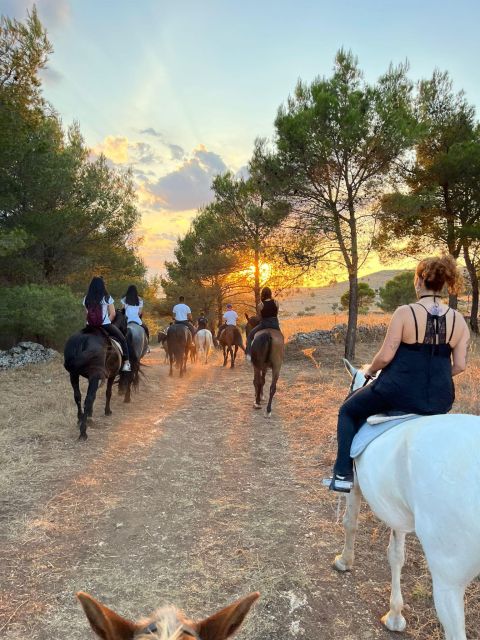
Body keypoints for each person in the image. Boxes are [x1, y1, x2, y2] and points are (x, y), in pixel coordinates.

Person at [329, 255, 470, 492]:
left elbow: (385, 356)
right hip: (439, 398)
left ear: (419, 280)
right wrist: (435, 376)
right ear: (444, 283)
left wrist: (370, 371)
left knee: (347, 411)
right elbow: (460, 365)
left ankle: (342, 473)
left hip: (397, 391)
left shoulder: (405, 312)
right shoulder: (458, 320)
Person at [83, 276, 131, 371]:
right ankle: (126, 363)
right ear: (102, 286)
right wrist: (106, 322)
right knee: (122, 339)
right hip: (104, 325)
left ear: (91, 286)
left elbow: (87, 314)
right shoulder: (107, 298)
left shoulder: (86, 298)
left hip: (90, 326)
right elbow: (113, 314)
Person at [245, 287, 281, 360]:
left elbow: (260, 317)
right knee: (281, 337)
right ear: (270, 293)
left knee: (250, 336)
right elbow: (276, 314)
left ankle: (249, 354)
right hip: (275, 324)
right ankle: (281, 354)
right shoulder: (276, 302)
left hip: (264, 324)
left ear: (263, 294)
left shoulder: (260, 305)